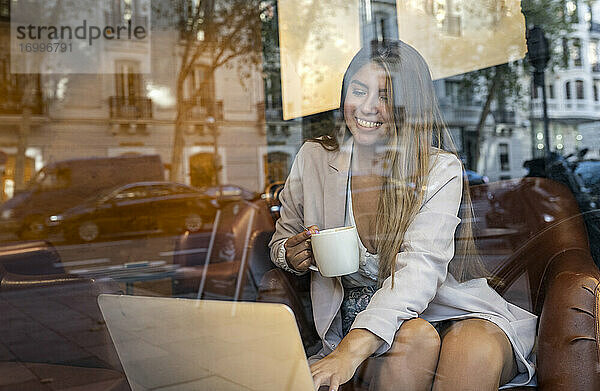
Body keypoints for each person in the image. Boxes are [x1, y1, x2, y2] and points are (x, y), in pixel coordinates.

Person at [269, 40, 536, 391]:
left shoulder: (440, 169)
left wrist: (348, 353)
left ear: (409, 105)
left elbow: (419, 272)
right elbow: (281, 240)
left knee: (475, 351)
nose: (367, 107)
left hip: (448, 307)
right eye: (358, 90)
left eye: (384, 96)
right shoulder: (314, 158)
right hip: (369, 322)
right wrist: (289, 255)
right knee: (413, 339)